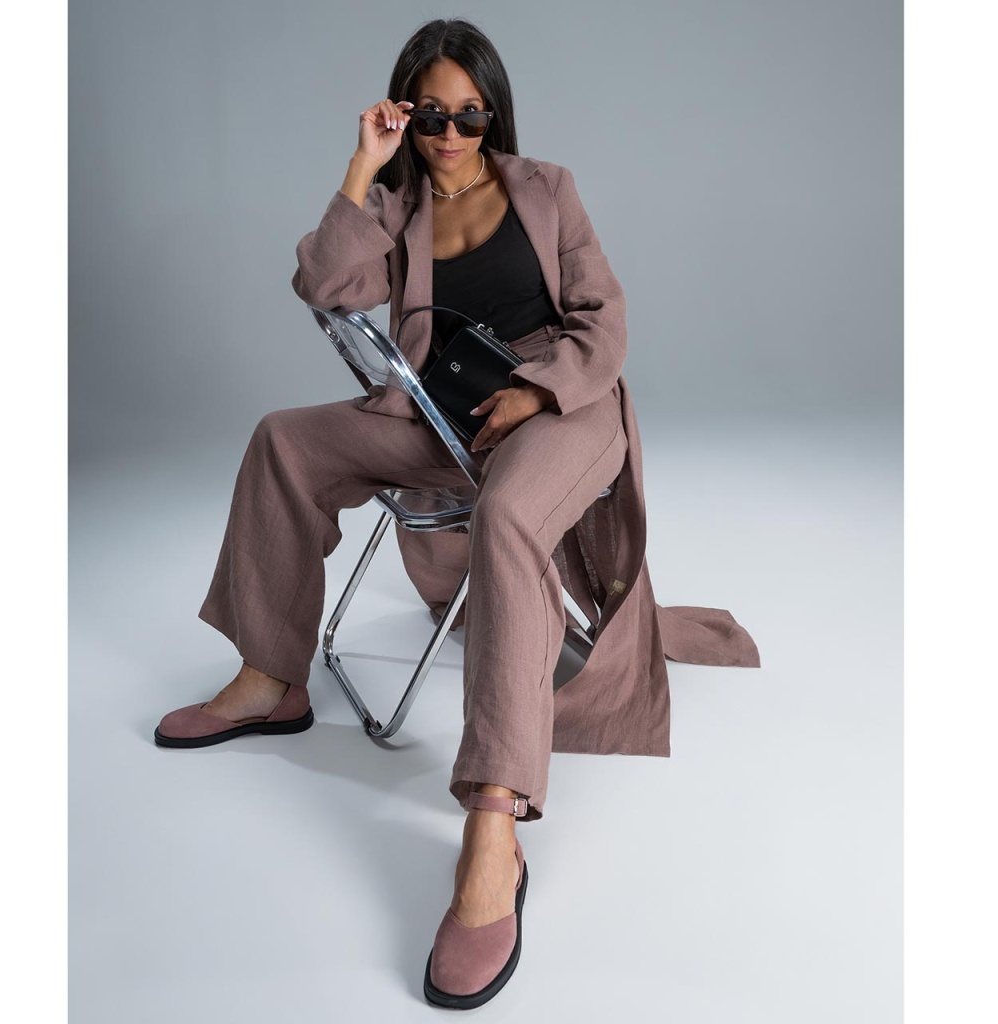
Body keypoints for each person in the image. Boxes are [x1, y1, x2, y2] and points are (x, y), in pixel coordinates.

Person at [154, 17, 760, 1009]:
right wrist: (363, 166)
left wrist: (535, 391)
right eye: (430, 114)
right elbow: (323, 284)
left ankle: (492, 824)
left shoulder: (547, 189)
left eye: (468, 114)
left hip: (561, 409)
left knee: (508, 516)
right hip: (445, 417)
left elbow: (604, 320)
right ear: (405, 112)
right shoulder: (393, 206)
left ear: (493, 114)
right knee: (283, 438)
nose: (449, 133)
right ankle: (270, 677)